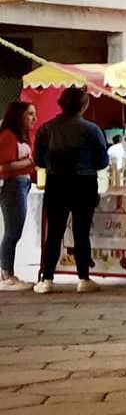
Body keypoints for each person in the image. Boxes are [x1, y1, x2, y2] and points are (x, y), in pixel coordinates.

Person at [32, 86, 109, 294]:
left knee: (54, 232)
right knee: (81, 232)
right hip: (84, 184)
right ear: (84, 106)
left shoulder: (45, 129)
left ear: (61, 104)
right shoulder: (92, 130)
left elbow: (38, 160)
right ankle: (84, 278)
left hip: (56, 183)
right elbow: (102, 161)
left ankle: (47, 278)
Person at [1, 99, 39, 290]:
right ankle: (6, 273)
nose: (34, 118)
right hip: (12, 184)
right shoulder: (8, 136)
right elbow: (4, 166)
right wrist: (30, 163)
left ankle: (9, 272)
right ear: (19, 116)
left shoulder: (23, 136)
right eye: (30, 114)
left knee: (16, 229)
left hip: (23, 183)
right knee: (12, 230)